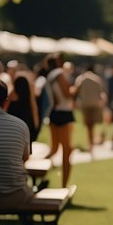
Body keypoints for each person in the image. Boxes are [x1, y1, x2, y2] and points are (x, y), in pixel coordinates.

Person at [44, 56, 76, 187]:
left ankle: (35, 172)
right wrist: (77, 88)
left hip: (54, 112)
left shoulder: (50, 75)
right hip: (63, 113)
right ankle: (64, 185)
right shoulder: (58, 73)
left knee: (54, 149)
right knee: (66, 150)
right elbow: (67, 94)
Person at [73, 63, 107, 151]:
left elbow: (76, 91)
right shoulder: (97, 78)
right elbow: (101, 93)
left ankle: (91, 143)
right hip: (95, 104)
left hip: (85, 104)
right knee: (93, 125)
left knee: (89, 125)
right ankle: (92, 142)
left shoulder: (81, 78)